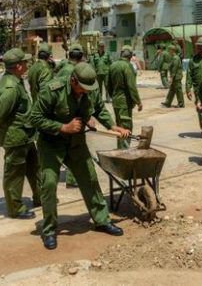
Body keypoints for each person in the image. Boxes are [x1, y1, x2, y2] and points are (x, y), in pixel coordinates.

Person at [31, 63, 130, 250]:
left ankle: (102, 220)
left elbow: (99, 108)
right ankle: (50, 230)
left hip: (76, 143)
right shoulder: (53, 90)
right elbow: (35, 117)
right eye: (82, 88)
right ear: (73, 81)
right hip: (51, 144)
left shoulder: (89, 89)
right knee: (49, 184)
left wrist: (112, 126)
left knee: (90, 179)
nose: (86, 92)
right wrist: (62, 127)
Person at [0, 48, 40, 219]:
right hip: (15, 137)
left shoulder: (16, 80)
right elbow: (1, 110)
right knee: (14, 174)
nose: (27, 64)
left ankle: (40, 198)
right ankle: (15, 209)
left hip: (25, 135)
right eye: (25, 62)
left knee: (35, 168)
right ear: (18, 66)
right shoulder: (11, 86)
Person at [55, 43, 85, 187]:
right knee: (75, 147)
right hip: (72, 114)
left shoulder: (61, 70)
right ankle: (72, 179)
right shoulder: (77, 71)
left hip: (59, 113)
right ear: (81, 57)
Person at [107, 45, 143, 149]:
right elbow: (131, 86)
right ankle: (124, 151)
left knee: (119, 128)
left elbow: (108, 84)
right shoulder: (128, 66)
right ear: (131, 56)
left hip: (116, 102)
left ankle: (120, 149)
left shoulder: (113, 65)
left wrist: (113, 96)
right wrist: (138, 102)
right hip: (125, 103)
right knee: (126, 128)